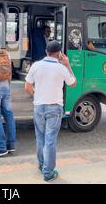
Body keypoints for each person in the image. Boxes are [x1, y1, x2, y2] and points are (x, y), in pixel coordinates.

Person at [25, 40, 76, 182]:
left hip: (39, 107)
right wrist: (67, 64)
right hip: (54, 108)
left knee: (40, 138)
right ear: (59, 54)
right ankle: (48, 172)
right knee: (50, 141)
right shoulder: (61, 68)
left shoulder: (36, 66)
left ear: (46, 51)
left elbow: (27, 86)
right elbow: (73, 83)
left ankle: (42, 165)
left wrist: (38, 96)